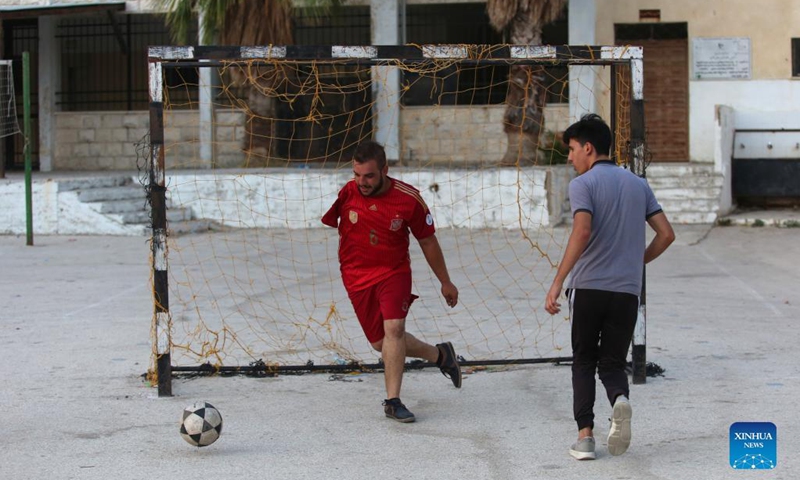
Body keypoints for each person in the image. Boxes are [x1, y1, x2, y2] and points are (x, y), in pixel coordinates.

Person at [545, 114, 675, 460]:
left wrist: (557, 281)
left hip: (588, 289)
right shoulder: (638, 184)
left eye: (572, 150)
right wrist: (637, 261)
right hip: (627, 292)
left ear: (588, 148)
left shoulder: (583, 185)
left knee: (584, 361)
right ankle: (620, 400)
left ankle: (585, 438)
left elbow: (582, 231)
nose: (570, 157)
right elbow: (667, 234)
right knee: (614, 362)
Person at [322, 140, 462, 423]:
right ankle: (440, 355)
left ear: (385, 170)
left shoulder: (408, 198)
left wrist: (445, 281)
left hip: (393, 272)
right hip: (356, 277)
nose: (362, 182)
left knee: (395, 329)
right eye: (357, 174)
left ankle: (393, 401)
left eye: (369, 176)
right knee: (380, 343)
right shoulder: (348, 192)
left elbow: (428, 241)